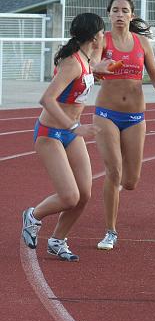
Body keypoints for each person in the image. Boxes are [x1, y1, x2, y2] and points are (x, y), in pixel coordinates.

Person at [21, 13, 112, 261]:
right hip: (51, 133)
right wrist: (74, 127)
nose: (105, 38)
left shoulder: (87, 58)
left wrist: (98, 69)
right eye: (103, 33)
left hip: (71, 133)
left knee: (84, 195)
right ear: (94, 37)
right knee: (70, 197)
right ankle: (33, 216)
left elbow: (88, 68)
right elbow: (47, 100)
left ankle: (57, 240)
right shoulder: (72, 63)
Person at [93, 0, 155, 250]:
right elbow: (93, 65)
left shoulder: (142, 43)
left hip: (135, 117)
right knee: (113, 171)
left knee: (130, 181)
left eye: (124, 10)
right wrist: (99, 67)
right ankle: (110, 231)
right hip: (106, 113)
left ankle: (115, 205)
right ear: (109, 14)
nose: (119, 14)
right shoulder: (102, 40)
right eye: (115, 10)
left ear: (131, 15)